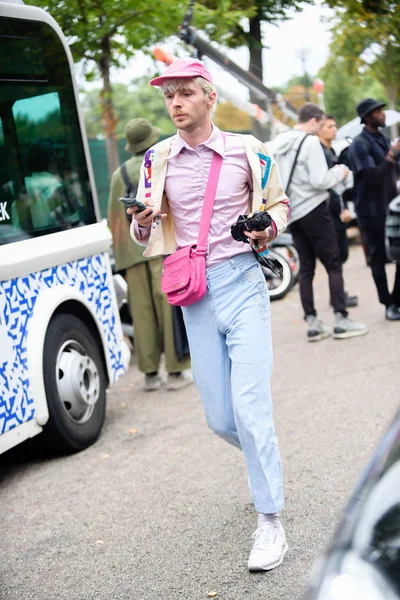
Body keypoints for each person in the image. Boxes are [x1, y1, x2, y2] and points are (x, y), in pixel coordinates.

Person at [129, 58, 289, 572]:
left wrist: (268, 227)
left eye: (184, 94)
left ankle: (270, 519)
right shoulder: (155, 159)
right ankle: (267, 463)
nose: (174, 104)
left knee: (250, 406)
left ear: (209, 97)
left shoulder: (248, 149)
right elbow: (142, 232)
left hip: (242, 282)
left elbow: (281, 204)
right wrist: (141, 224)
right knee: (220, 418)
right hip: (192, 291)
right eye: (168, 96)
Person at [269, 102, 368, 341]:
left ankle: (312, 323)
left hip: (292, 213)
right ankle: (341, 319)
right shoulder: (310, 141)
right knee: (333, 263)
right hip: (314, 209)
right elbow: (320, 180)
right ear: (313, 121)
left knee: (306, 269)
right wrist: (340, 172)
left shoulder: (281, 141)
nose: (322, 127)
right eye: (321, 123)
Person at [108, 117, 192, 391]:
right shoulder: (160, 162)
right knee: (169, 309)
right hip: (162, 249)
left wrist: (123, 258)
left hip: (132, 256)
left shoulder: (118, 175)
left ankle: (150, 374)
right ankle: (176, 371)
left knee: (142, 314)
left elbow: (116, 221)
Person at [348, 98, 400, 321]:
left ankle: (396, 299)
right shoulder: (359, 144)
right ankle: (387, 304)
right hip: (371, 211)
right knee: (378, 258)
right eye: (378, 111)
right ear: (368, 117)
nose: (383, 114)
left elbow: (391, 172)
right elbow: (372, 177)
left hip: (390, 206)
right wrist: (392, 154)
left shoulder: (382, 138)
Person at [318, 115, 358, 307]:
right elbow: (327, 185)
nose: (334, 129)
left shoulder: (330, 150)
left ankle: (339, 294)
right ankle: (338, 298)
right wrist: (340, 208)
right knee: (336, 257)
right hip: (329, 212)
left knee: (341, 255)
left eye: (335, 125)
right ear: (320, 129)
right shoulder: (320, 153)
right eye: (329, 126)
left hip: (337, 209)